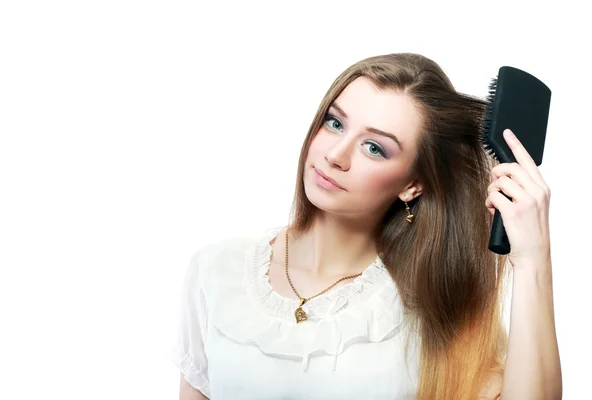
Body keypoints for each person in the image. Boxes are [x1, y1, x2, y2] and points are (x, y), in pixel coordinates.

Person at [172, 53, 562, 399]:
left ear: (412, 185)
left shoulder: (434, 304)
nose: (336, 155)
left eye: (374, 147)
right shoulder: (216, 272)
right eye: (335, 123)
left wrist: (533, 262)